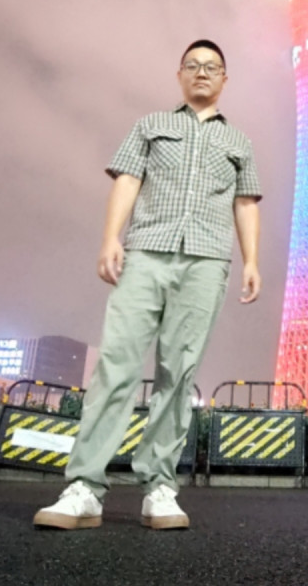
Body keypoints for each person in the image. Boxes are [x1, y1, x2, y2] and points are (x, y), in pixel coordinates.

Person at [33, 40, 261, 530]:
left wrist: (251, 261)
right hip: (147, 253)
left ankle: (159, 485)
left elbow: (245, 203)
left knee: (179, 373)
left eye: (212, 67)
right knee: (116, 364)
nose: (202, 72)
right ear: (180, 75)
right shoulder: (151, 125)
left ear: (225, 79)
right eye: (193, 65)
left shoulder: (239, 143)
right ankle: (84, 487)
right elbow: (128, 179)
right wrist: (110, 237)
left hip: (206, 261)